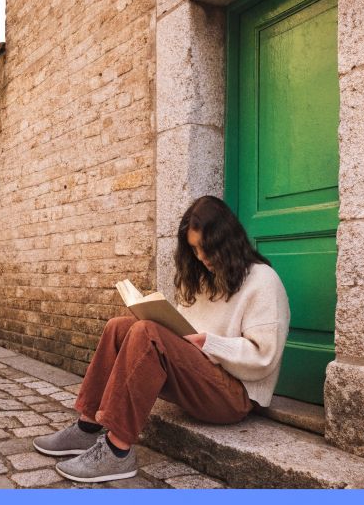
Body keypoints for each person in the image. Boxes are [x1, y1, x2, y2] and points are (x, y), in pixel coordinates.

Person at [35, 195, 291, 483]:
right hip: (200, 378)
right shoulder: (203, 279)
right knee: (120, 326)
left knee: (148, 333)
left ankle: (117, 452)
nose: (201, 258)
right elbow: (182, 332)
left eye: (207, 249)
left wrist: (209, 343)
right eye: (194, 250)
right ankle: (88, 426)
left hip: (235, 396)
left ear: (227, 242)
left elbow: (263, 357)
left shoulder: (263, 281)